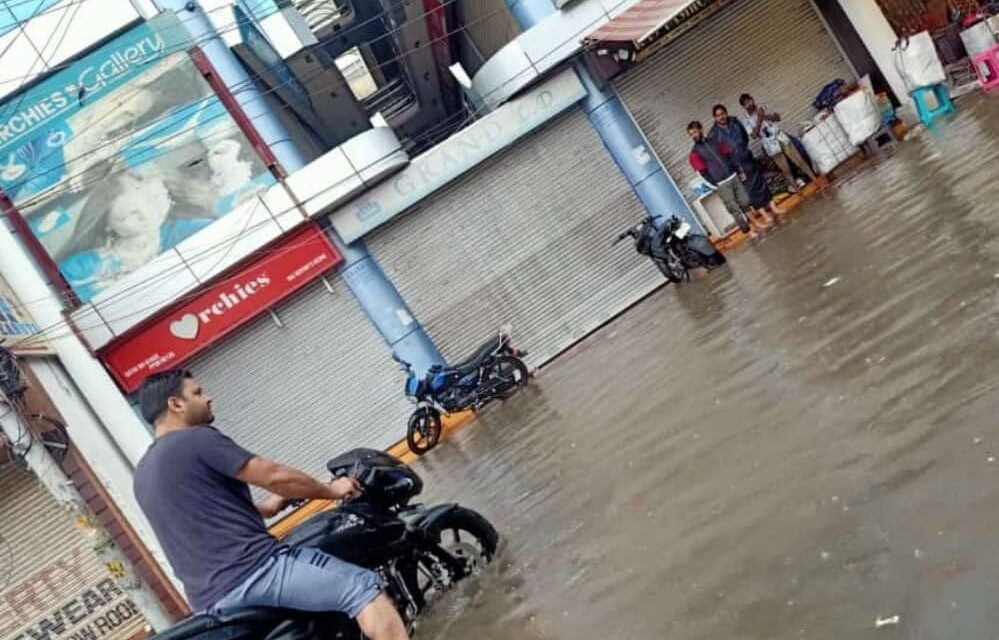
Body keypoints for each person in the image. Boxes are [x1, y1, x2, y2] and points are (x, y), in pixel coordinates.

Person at [133, 369, 410, 640]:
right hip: (256, 571)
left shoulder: (143, 473)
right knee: (363, 589)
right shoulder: (196, 439)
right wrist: (333, 490)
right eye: (198, 392)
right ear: (176, 404)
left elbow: (208, 515)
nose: (208, 398)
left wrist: (270, 507)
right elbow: (275, 476)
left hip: (210, 600)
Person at [52, 172, 211, 301]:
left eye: (147, 203)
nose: (145, 215)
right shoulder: (80, 267)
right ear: (107, 225)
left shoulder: (190, 230)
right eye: (130, 215)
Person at [687, 120, 772, 231]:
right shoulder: (694, 153)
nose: (694, 136)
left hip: (733, 176)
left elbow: (729, 156)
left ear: (701, 129)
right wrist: (715, 184)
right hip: (721, 183)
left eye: (695, 132)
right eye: (691, 134)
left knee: (745, 202)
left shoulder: (715, 141)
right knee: (734, 209)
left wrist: (739, 171)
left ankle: (756, 224)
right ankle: (748, 230)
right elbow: (702, 173)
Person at [708, 104, 785, 220]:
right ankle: (764, 214)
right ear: (714, 118)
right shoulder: (713, 134)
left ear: (726, 113)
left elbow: (744, 136)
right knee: (750, 189)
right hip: (736, 165)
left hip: (746, 156)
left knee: (760, 182)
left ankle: (774, 208)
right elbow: (718, 154)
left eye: (723, 114)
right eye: (718, 116)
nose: (721, 117)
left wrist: (743, 149)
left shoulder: (735, 122)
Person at [738, 93, 820, 193]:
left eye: (750, 101)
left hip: (779, 135)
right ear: (743, 107)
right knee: (785, 169)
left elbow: (777, 118)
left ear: (753, 100)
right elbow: (754, 135)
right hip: (769, 143)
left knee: (799, 160)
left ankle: (816, 181)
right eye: (746, 104)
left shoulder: (762, 107)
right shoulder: (745, 120)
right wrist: (759, 120)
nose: (749, 104)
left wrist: (764, 116)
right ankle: (799, 192)